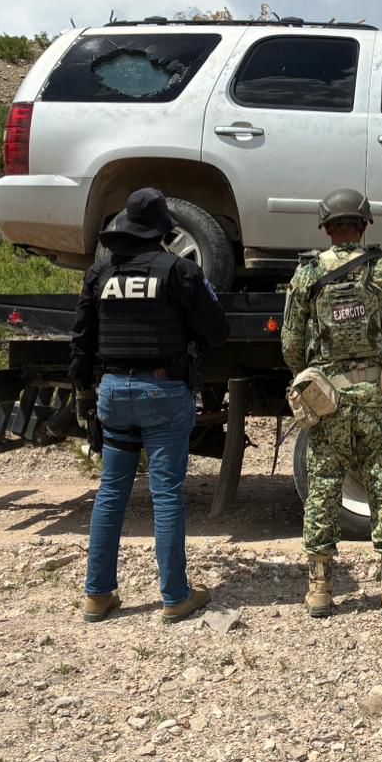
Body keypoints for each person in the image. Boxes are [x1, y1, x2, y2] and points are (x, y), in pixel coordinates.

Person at [69, 188, 230, 624]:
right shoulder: (178, 270)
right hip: (162, 393)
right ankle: (175, 596)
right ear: (162, 230)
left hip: (113, 392)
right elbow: (217, 332)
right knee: (166, 495)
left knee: (111, 493)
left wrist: (83, 389)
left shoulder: (100, 273)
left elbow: (81, 338)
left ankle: (97, 595)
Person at [282, 188, 382, 618]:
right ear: (363, 225)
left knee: (324, 487)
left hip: (328, 400)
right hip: (378, 398)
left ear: (326, 228)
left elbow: (291, 346)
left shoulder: (306, 274)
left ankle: (320, 589)